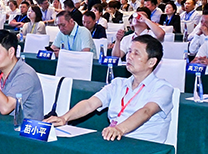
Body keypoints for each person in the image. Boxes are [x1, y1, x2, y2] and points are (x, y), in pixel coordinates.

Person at [45, 35, 173, 144]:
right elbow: (90, 104)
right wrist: (65, 118)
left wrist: (119, 129)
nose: (129, 56)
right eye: (129, 51)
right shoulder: (118, 83)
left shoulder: (162, 88)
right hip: (116, 141)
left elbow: (146, 111)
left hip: (144, 146)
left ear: (151, 62)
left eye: (136, 53)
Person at [0, 30, 44, 120]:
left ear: (11, 52)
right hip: (4, 122)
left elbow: (5, 109)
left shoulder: (25, 75)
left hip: (23, 126)